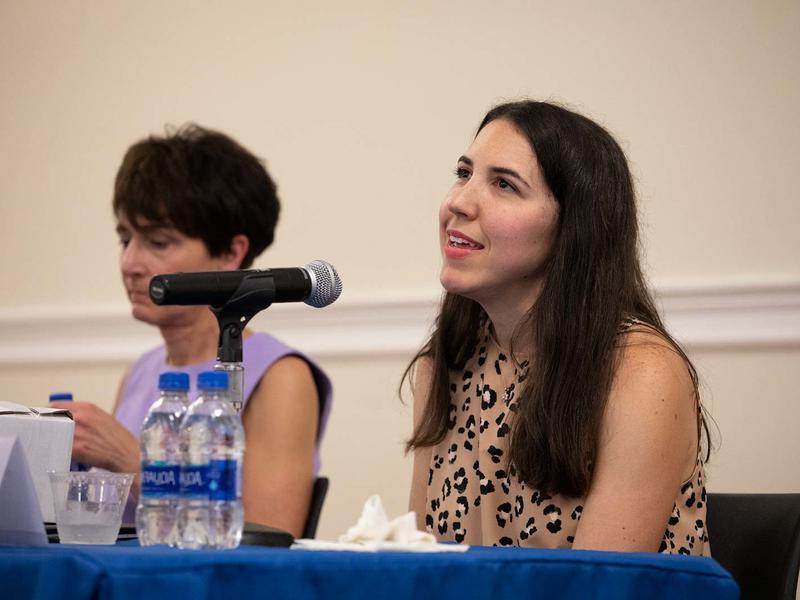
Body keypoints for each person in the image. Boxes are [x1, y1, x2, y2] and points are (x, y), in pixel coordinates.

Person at [406, 100, 710, 554]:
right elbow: (419, 565)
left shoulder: (640, 373)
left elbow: (599, 589)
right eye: (464, 173)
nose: (458, 202)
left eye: (504, 184)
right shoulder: (448, 360)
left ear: (573, 227)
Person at [51, 125, 332, 537]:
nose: (130, 263)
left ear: (230, 253)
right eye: (125, 239)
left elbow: (269, 537)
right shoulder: (141, 372)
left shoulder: (279, 375)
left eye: (158, 242)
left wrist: (131, 459)